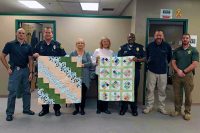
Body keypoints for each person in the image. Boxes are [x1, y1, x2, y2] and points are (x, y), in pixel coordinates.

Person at [0, 28, 35, 121]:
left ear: (25, 35)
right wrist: (7, 68)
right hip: (15, 70)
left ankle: (26, 109)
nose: (21, 34)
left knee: (27, 91)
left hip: (25, 70)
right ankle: (9, 113)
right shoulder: (10, 44)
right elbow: (2, 56)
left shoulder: (28, 46)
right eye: (19, 33)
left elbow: (31, 59)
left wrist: (31, 72)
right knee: (13, 92)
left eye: (23, 33)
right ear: (16, 34)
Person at [33, 27, 66, 117]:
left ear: (52, 34)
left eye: (49, 32)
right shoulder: (38, 45)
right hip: (43, 72)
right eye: (46, 32)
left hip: (55, 72)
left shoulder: (58, 44)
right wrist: (35, 55)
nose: (48, 34)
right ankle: (45, 109)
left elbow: (64, 56)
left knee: (56, 90)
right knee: (44, 90)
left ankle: (57, 109)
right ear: (44, 34)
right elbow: (33, 55)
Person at [171, 33, 199, 121]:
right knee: (177, 94)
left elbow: (195, 63)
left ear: (189, 40)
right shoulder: (177, 50)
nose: (185, 39)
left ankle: (187, 112)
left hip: (188, 76)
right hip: (177, 75)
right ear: (181, 39)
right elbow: (173, 62)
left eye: (187, 38)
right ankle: (177, 110)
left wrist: (183, 71)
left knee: (188, 95)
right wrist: (178, 71)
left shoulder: (194, 50)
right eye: (183, 38)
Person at [143, 30, 172, 115]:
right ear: (154, 36)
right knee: (150, 90)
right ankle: (149, 106)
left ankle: (161, 108)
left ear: (162, 36)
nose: (159, 37)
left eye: (160, 35)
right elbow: (146, 57)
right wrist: (148, 62)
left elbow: (170, 57)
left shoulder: (167, 46)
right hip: (151, 71)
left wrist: (166, 64)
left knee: (162, 90)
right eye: (157, 35)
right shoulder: (149, 46)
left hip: (163, 72)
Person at [118, 33, 145, 116]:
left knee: (134, 89)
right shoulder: (122, 47)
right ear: (127, 38)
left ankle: (134, 108)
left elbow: (145, 58)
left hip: (135, 71)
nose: (131, 38)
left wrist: (138, 60)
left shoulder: (140, 47)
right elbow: (118, 59)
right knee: (124, 89)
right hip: (124, 72)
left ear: (135, 38)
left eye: (132, 37)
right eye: (129, 37)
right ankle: (124, 107)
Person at [70, 38, 92, 115]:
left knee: (83, 94)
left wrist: (83, 65)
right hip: (75, 76)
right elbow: (69, 63)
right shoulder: (72, 53)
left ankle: (82, 109)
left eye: (82, 43)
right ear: (76, 44)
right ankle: (76, 109)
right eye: (78, 43)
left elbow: (90, 63)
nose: (80, 44)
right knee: (76, 94)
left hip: (85, 77)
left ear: (84, 45)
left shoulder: (87, 53)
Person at [92, 37, 113, 114]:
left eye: (107, 41)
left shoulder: (111, 52)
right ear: (101, 43)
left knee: (106, 91)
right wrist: (97, 61)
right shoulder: (97, 50)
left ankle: (105, 108)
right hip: (99, 74)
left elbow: (112, 63)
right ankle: (99, 108)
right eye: (104, 41)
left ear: (109, 43)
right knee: (99, 91)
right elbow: (93, 62)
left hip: (108, 75)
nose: (105, 43)